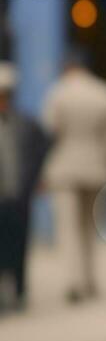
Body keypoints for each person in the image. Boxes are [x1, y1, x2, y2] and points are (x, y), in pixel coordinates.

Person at [39, 46, 106, 303]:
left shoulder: (58, 92)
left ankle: (74, 282)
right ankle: (90, 279)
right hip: (96, 166)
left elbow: (49, 131)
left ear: (67, 67)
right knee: (89, 227)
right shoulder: (105, 92)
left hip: (64, 167)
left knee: (68, 228)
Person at [0, 61, 48, 311]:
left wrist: (38, 178)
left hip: (19, 197)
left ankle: (19, 290)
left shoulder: (25, 124)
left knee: (19, 246)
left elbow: (41, 150)